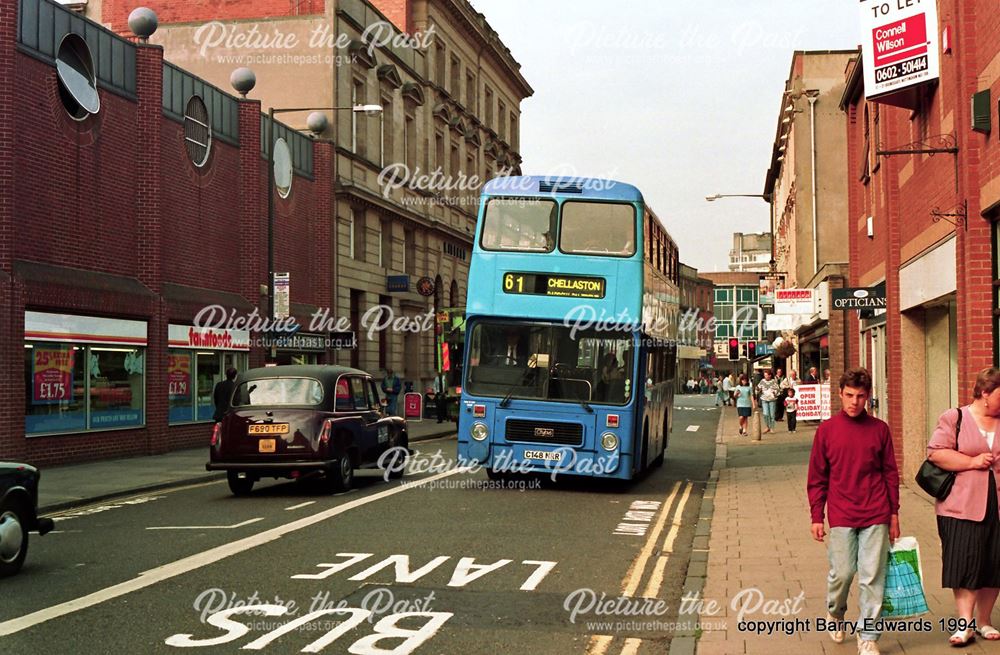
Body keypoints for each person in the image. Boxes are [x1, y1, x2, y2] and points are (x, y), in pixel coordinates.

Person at [807, 367, 899, 655]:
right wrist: (815, 516)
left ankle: (868, 635)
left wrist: (894, 514)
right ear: (840, 394)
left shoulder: (879, 429)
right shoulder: (827, 430)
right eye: (849, 395)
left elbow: (890, 473)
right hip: (842, 513)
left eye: (860, 396)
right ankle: (835, 613)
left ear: (868, 397)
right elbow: (817, 477)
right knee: (843, 573)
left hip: (876, 512)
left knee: (873, 576)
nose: (854, 402)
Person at [926, 367, 1000, 646]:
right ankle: (964, 624)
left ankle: (984, 621)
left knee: (994, 563)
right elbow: (935, 453)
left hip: (997, 504)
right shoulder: (954, 417)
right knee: (965, 562)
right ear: (984, 393)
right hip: (961, 505)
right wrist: (970, 462)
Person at [757, 370, 780, 434]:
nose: (765, 376)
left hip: (772, 399)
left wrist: (774, 393)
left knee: (772, 414)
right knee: (765, 414)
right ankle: (767, 427)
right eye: (765, 375)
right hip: (764, 399)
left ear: (770, 375)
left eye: (766, 375)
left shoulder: (774, 381)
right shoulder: (762, 381)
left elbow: (778, 390)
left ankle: (772, 428)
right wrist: (759, 390)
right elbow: (757, 388)